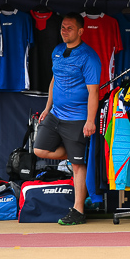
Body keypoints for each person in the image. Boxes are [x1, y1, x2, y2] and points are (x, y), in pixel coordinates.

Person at [33, 12, 101, 225]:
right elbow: (55, 80)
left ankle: (78, 211)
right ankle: (76, 155)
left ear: (80, 31)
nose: (64, 31)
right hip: (56, 114)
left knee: (78, 166)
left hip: (77, 118)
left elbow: (93, 92)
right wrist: (47, 108)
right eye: (63, 27)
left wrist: (90, 121)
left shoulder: (89, 57)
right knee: (39, 150)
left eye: (69, 28)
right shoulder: (57, 51)